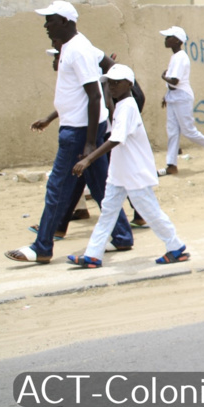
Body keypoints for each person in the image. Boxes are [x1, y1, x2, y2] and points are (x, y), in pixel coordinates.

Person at [7, 1, 133, 264]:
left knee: (57, 188)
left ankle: (42, 246)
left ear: (65, 21)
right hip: (80, 127)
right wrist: (54, 117)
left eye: (50, 20)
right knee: (99, 186)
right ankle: (121, 235)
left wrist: (88, 144)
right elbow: (96, 74)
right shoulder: (76, 45)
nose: (45, 25)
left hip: (78, 133)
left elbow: (93, 95)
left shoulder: (77, 50)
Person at [67, 64, 189, 268]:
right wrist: (105, 88)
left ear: (129, 84)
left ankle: (175, 246)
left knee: (149, 210)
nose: (112, 86)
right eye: (109, 83)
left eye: (116, 83)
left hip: (134, 172)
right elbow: (109, 107)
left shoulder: (129, 107)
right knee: (108, 211)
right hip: (120, 171)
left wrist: (88, 159)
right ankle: (93, 255)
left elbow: (116, 139)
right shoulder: (121, 105)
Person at [159, 26, 204, 176]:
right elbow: (172, 83)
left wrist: (164, 77)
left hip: (182, 97)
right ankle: (171, 165)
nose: (166, 39)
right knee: (172, 131)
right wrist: (166, 94)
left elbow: (175, 81)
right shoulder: (175, 57)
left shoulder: (181, 57)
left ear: (177, 40)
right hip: (173, 96)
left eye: (168, 37)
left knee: (188, 131)